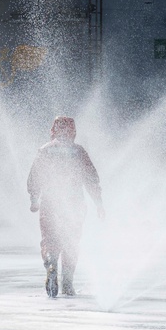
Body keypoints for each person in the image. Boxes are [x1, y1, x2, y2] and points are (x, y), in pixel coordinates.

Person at [27, 116, 104, 298]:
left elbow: (35, 177)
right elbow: (91, 178)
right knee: (71, 242)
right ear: (72, 131)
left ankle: (51, 263)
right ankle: (67, 283)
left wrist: (34, 199)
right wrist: (98, 203)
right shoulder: (78, 151)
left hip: (50, 203)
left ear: (53, 129)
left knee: (49, 240)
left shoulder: (45, 150)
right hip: (74, 203)